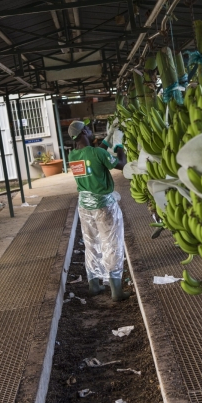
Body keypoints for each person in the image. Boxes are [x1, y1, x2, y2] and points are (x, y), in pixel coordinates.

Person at [67, 120, 130, 302]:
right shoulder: (98, 153)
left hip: (85, 207)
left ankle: (94, 284)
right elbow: (122, 164)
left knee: (91, 243)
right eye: (87, 128)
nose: (90, 129)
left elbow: (94, 154)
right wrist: (119, 143)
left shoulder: (73, 156)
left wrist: (108, 137)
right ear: (85, 131)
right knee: (112, 243)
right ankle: (116, 290)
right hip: (104, 207)